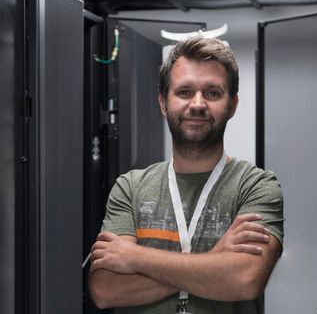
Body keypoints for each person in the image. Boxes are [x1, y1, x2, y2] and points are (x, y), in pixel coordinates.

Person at [89, 37, 284, 314]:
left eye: (213, 93)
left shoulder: (255, 186)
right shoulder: (130, 188)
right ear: (163, 103)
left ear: (232, 105)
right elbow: (105, 290)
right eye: (184, 92)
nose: (198, 104)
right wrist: (216, 259)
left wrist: (135, 257)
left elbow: (245, 280)